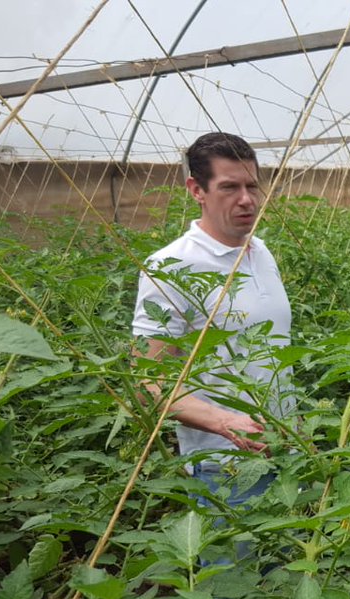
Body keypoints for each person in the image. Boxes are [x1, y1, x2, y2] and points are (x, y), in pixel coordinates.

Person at [132, 131, 293, 508]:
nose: (246, 199)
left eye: (252, 186)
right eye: (229, 187)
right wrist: (224, 421)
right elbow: (147, 382)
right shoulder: (170, 267)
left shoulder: (261, 252)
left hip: (286, 457)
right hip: (226, 471)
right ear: (196, 190)